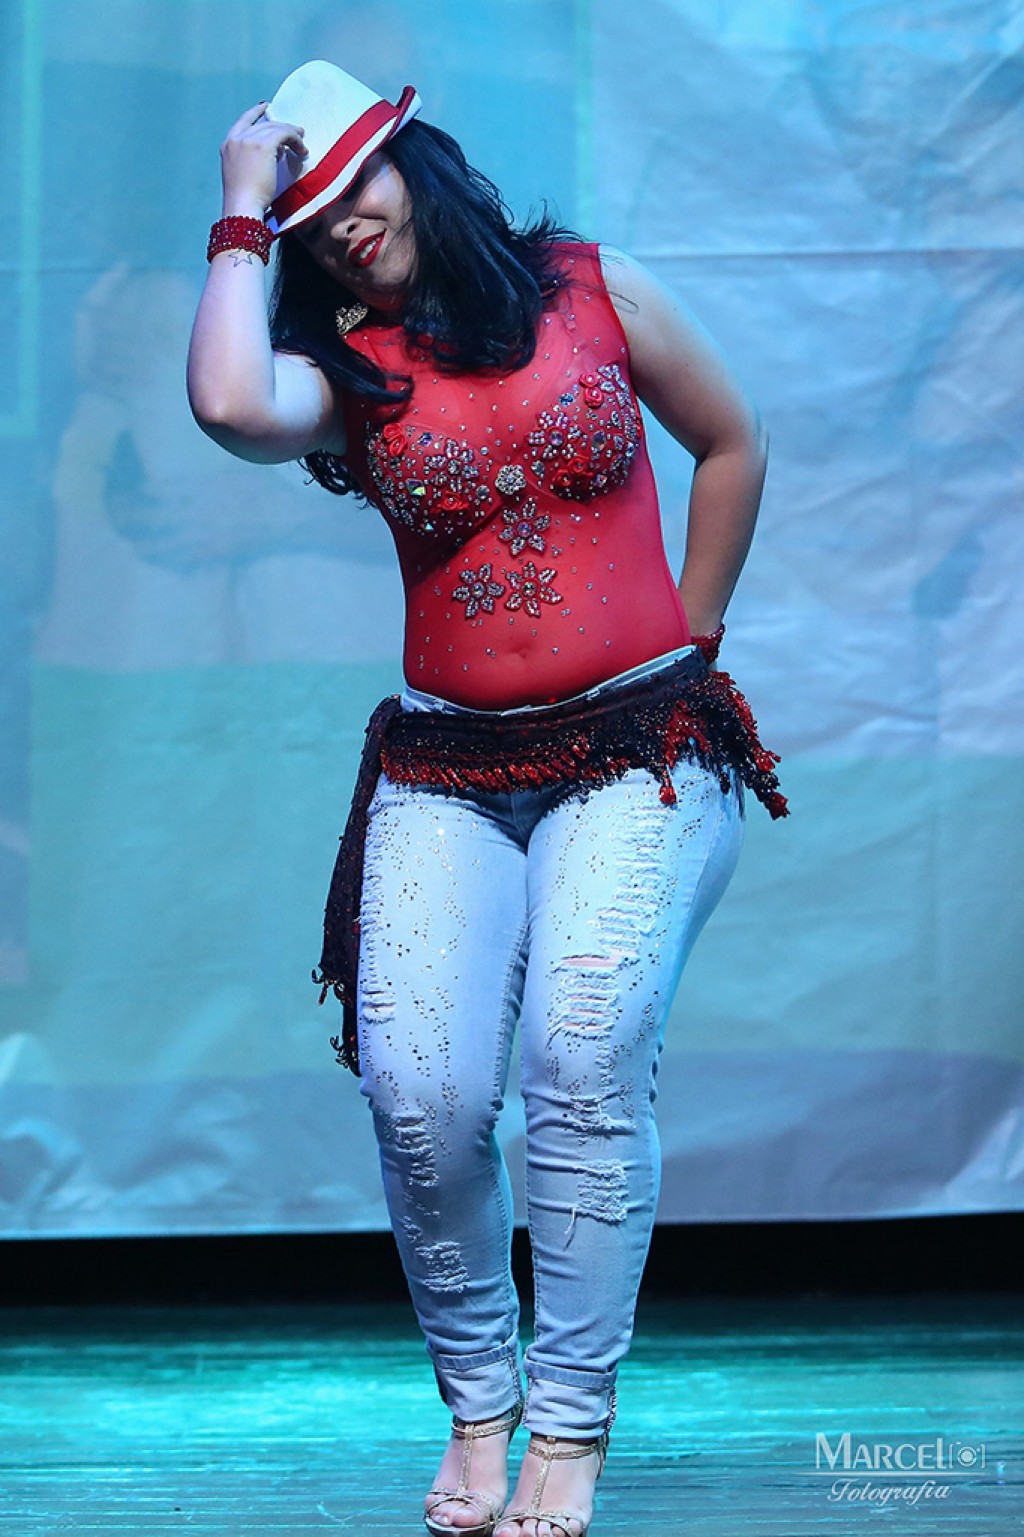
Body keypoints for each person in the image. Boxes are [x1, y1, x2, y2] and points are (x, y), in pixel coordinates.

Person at [187, 59, 786, 1537]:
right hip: (448, 766)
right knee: (424, 1094)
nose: (342, 227)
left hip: (639, 750)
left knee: (580, 1052)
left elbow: (732, 440)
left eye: (354, 187)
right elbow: (228, 402)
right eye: (310, 222)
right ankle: (479, 1404)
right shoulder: (350, 369)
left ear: (420, 163)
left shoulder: (590, 286)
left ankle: (570, 1427)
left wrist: (691, 644)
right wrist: (242, 209)